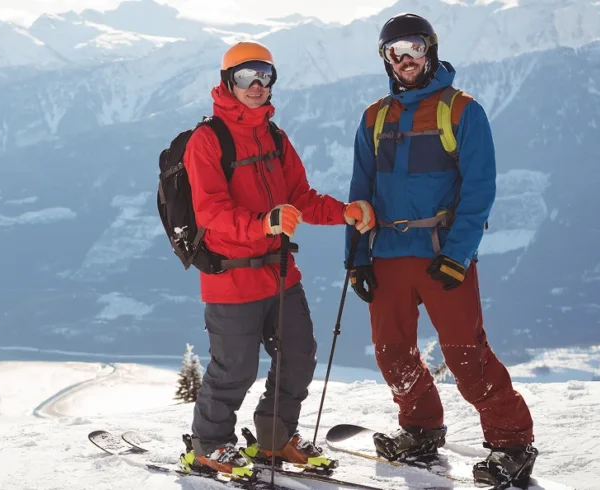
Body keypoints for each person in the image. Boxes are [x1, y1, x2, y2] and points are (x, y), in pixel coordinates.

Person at [343, 13, 538, 486]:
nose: (405, 59)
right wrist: (357, 257)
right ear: (386, 60)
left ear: (429, 50)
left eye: (413, 48)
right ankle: (420, 428)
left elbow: (480, 189)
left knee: (466, 355)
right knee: (392, 353)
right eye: (394, 52)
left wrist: (458, 253)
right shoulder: (374, 117)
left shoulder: (462, 111)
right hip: (387, 253)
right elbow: (359, 193)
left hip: (440, 254)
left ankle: (512, 443)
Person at [179, 40, 376, 476]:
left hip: (279, 274)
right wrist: (263, 223)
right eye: (246, 75)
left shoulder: (274, 137)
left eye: (264, 75)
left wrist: (343, 212)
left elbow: (300, 197)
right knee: (235, 369)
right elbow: (210, 212)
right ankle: (209, 444)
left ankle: (276, 438)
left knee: (299, 355)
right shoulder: (207, 140)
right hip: (231, 278)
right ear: (228, 82)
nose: (256, 84)